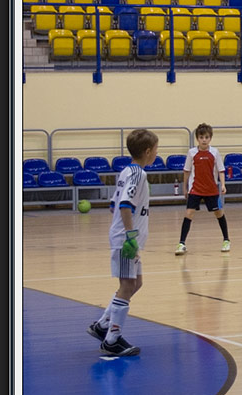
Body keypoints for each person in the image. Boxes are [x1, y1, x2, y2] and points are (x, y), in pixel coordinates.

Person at [87, 128, 159, 357]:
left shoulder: (126, 171)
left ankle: (103, 325)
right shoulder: (139, 174)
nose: (157, 153)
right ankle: (112, 339)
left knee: (136, 283)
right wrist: (130, 237)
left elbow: (114, 205)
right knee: (127, 285)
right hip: (126, 240)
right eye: (156, 149)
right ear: (147, 151)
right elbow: (125, 205)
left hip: (123, 237)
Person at [175, 122, 230, 254]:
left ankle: (226, 240)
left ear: (210, 138)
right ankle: (181, 243)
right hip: (195, 189)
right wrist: (185, 187)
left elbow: (221, 170)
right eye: (201, 137)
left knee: (219, 213)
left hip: (211, 190)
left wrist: (222, 184)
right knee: (189, 213)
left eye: (206, 137)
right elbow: (186, 171)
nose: (204, 140)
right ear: (197, 139)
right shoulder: (191, 153)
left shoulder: (215, 152)